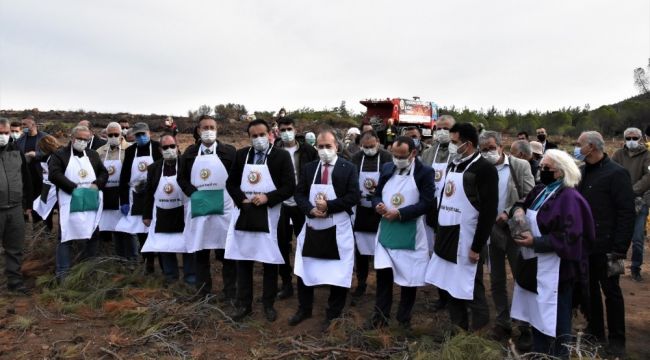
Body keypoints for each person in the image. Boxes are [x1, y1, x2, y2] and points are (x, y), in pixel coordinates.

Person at [509, 149, 593, 358]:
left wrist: (536, 242)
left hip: (557, 272)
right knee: (537, 315)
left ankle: (557, 355)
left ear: (560, 172)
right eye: (542, 167)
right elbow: (522, 202)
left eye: (547, 168)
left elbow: (571, 237)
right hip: (534, 265)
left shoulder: (569, 198)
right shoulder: (541, 190)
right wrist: (517, 210)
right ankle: (540, 353)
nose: (541, 171)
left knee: (556, 319)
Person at [424, 123, 497, 331]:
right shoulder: (454, 164)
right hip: (447, 234)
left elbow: (488, 212)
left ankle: (478, 334)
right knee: (449, 284)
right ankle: (458, 330)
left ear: (469, 143)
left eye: (455, 142)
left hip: (467, 239)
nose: (452, 146)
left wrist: (477, 246)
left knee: (471, 287)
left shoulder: (485, 169)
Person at [225, 119, 296, 322]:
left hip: (272, 215)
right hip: (245, 213)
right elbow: (231, 183)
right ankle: (244, 304)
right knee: (244, 260)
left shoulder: (280, 156)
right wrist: (242, 200)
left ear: (270, 134)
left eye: (262, 134)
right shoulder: (241, 155)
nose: (258, 139)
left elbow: (289, 186)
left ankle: (268, 304)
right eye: (254, 135)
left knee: (269, 260)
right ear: (249, 137)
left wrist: (268, 197)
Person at [290, 129, 359, 327]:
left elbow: (354, 196)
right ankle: (304, 308)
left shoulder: (348, 168)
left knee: (337, 271)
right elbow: (299, 194)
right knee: (306, 268)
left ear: (336, 146)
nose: (324, 150)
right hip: (313, 225)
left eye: (328, 146)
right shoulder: (310, 168)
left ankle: (333, 314)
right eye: (320, 147)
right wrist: (310, 209)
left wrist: (330, 206)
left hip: (338, 227)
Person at [366, 136, 435, 329]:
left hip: (410, 231)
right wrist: (377, 204)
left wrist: (401, 213)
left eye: (401, 156)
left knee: (409, 278)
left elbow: (427, 203)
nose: (397, 159)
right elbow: (377, 193)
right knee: (383, 275)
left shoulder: (424, 172)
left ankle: (404, 318)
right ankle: (380, 316)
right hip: (387, 229)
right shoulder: (388, 168)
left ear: (413, 153)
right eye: (394, 155)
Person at [576, 131, 634, 357]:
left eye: (580, 144)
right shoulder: (581, 173)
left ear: (591, 147)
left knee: (611, 292)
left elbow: (626, 212)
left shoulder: (617, 173)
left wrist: (619, 248)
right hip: (586, 245)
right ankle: (595, 331)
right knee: (588, 289)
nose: (578, 148)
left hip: (609, 246)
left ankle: (617, 340)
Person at [478, 131, 535, 344]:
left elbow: (530, 194)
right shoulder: (482, 169)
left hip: (515, 230)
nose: (487, 153)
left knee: (521, 277)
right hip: (491, 231)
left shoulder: (519, 166)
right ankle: (503, 322)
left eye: (491, 148)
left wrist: (509, 211)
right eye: (483, 150)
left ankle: (525, 325)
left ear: (501, 147)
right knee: (497, 279)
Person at [178, 115, 236, 299]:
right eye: (205, 127)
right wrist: (193, 193)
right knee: (201, 251)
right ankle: (203, 291)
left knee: (225, 251)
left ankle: (230, 292)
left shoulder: (229, 151)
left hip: (224, 208)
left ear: (217, 129)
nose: (208, 130)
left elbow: (236, 178)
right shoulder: (189, 153)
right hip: (200, 205)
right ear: (198, 130)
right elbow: (181, 178)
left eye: (212, 127)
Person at [48, 125, 108, 280]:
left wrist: (98, 183)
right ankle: (63, 273)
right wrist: (73, 188)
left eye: (86, 139)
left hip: (89, 198)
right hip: (70, 198)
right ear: (72, 138)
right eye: (80, 139)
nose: (83, 142)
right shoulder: (60, 155)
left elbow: (104, 172)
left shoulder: (93, 155)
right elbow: (54, 174)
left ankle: (89, 268)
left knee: (92, 233)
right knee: (66, 236)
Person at [274, 117, 318, 299]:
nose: (286, 132)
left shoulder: (308, 151)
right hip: (281, 203)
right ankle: (286, 283)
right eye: (282, 129)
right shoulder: (274, 152)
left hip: (303, 203)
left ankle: (307, 280)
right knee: (281, 244)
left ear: (295, 129)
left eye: (289, 128)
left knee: (306, 243)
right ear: (277, 131)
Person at [142, 135, 195, 284]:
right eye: (165, 147)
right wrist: (146, 215)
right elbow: (149, 192)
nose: (169, 150)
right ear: (160, 150)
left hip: (183, 212)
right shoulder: (154, 168)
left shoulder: (186, 164)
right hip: (162, 212)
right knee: (165, 245)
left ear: (178, 147)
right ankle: (170, 277)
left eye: (172, 146)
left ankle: (190, 278)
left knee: (187, 245)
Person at [420, 114, 457, 311]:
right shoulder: (428, 153)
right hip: (430, 208)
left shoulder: (459, 152)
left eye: (447, 128)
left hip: (451, 209)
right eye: (439, 128)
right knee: (435, 252)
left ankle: (454, 295)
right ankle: (442, 295)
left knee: (449, 252)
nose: (442, 132)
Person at [350, 130, 392, 298]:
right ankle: (361, 282)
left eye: (371, 146)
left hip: (381, 209)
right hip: (360, 209)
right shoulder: (356, 158)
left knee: (382, 247)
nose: (368, 149)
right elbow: (351, 179)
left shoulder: (388, 158)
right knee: (360, 250)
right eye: (365, 147)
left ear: (378, 143)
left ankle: (383, 284)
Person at [116, 122, 161, 273]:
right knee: (141, 229)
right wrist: (123, 200)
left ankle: (160, 260)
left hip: (156, 194)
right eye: (138, 135)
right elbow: (124, 177)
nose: (141, 137)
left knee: (156, 228)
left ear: (149, 133)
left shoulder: (157, 148)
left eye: (143, 134)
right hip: (136, 195)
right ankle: (147, 260)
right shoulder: (130, 151)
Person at [612, 127, 650, 282]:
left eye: (635, 138)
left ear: (640, 139)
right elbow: (611, 172)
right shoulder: (617, 154)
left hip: (639, 202)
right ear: (624, 139)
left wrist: (632, 191)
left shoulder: (647, 155)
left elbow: (649, 176)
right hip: (619, 202)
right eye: (629, 138)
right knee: (615, 237)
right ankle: (614, 268)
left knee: (638, 238)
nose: (632, 141)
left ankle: (635, 268)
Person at [0, 118, 32, 294]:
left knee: (15, 247)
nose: (4, 136)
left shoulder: (16, 151)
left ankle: (15, 281)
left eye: (6, 133)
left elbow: (26, 178)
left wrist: (28, 204)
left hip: (15, 208)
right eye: (1, 133)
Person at [96, 122, 137, 259]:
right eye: (110, 135)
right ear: (106, 135)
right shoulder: (100, 152)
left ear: (121, 134)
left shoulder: (130, 150)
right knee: (114, 227)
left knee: (128, 229)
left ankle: (132, 259)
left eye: (116, 134)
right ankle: (120, 258)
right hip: (107, 194)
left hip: (124, 194)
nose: (113, 137)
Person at [32, 135, 62, 238]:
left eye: (42, 148)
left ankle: (48, 234)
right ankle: (44, 233)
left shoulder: (57, 156)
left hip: (56, 188)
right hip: (47, 187)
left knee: (54, 212)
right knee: (42, 210)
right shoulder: (49, 155)